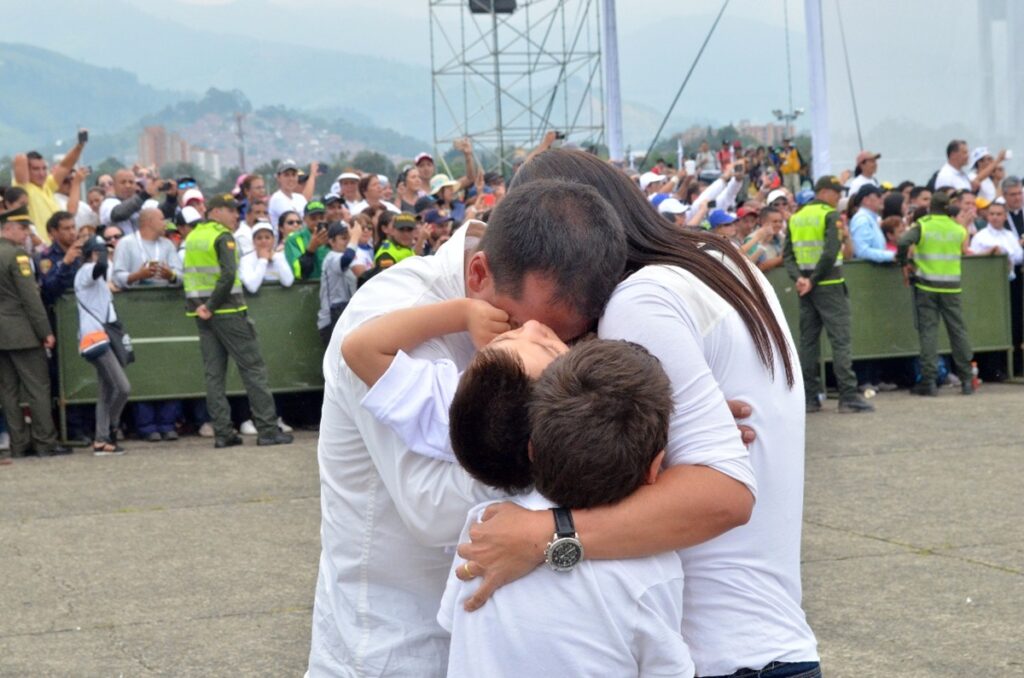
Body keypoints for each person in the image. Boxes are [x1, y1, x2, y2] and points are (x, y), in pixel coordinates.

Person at [453, 149, 819, 678]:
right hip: (768, 646)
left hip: (718, 655)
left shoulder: (640, 301)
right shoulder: (721, 265)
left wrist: (545, 537)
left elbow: (724, 495)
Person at [307, 179, 629, 677]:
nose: (547, 342)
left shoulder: (539, 303)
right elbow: (431, 512)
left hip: (496, 643)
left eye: (569, 340)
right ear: (478, 274)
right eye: (525, 325)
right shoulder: (395, 312)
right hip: (397, 647)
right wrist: (575, 447)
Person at [341, 296, 692, 676]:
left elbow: (359, 346)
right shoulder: (647, 563)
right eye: (546, 349)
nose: (532, 326)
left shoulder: (482, 525)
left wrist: (462, 313)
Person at [181, 193, 293, 449]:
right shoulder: (222, 236)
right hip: (227, 312)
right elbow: (229, 274)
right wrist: (211, 306)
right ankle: (267, 429)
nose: (236, 216)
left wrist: (203, 307)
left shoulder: (194, 236)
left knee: (214, 376)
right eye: (231, 211)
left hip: (200, 313)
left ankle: (223, 433)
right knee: (253, 369)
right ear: (217, 211)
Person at [784, 176, 874, 414]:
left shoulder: (796, 217)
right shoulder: (829, 215)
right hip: (830, 284)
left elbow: (788, 256)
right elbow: (831, 251)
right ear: (824, 192)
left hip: (805, 288)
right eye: (836, 192)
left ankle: (811, 397)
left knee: (808, 344)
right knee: (840, 341)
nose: (838, 197)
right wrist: (813, 280)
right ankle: (847, 396)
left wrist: (801, 279)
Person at [0, 206, 71, 461]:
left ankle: (18, 445)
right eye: (22, 229)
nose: (26, 234)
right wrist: (45, 331)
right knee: (37, 387)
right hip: (22, 332)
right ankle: (45, 442)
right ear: (8, 228)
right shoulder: (17, 256)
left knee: (8, 391)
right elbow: (30, 298)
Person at [897, 193, 974, 396]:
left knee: (929, 333)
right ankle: (967, 380)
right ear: (949, 208)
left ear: (931, 206)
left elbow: (904, 241)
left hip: (927, 286)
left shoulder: (923, 225)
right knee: (958, 331)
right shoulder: (958, 229)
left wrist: (905, 263)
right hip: (952, 287)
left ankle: (929, 382)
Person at [75, 235, 130, 455]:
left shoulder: (93, 276)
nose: (107, 254)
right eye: (102, 251)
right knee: (122, 387)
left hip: (100, 337)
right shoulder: (86, 270)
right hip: (94, 339)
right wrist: (101, 251)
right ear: (93, 253)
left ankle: (101, 439)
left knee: (106, 392)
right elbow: (100, 266)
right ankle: (111, 429)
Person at [13, 130, 89, 242]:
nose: (41, 173)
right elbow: (20, 159)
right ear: (27, 170)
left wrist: (80, 145)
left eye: (44, 168)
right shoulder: (24, 188)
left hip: (58, 247)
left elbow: (65, 166)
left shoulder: (47, 186)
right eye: (36, 169)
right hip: (41, 248)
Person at [317, 221, 360, 345]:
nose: (348, 242)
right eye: (344, 238)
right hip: (331, 319)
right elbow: (347, 258)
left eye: (349, 238)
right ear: (331, 241)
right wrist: (355, 237)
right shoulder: (332, 257)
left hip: (344, 316)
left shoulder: (344, 257)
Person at [239, 222, 295, 294]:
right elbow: (252, 287)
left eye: (267, 237)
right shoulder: (246, 260)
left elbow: (288, 282)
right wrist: (263, 260)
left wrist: (276, 258)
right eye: (259, 238)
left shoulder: (280, 256)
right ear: (253, 241)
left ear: (273, 240)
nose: (263, 241)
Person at [267, 160, 317, 240]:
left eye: (294, 175)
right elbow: (294, 221)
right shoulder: (277, 198)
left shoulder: (300, 198)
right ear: (279, 178)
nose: (291, 179)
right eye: (286, 175)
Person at [284, 201, 330, 280]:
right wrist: (310, 250)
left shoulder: (333, 236)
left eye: (322, 218)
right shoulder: (293, 239)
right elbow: (299, 273)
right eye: (313, 218)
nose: (318, 222)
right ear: (304, 219)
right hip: (307, 288)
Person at [849, 184, 895, 263]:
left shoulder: (871, 219)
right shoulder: (862, 219)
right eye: (878, 196)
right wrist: (891, 255)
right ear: (866, 200)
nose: (882, 199)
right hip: (866, 273)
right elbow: (861, 251)